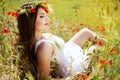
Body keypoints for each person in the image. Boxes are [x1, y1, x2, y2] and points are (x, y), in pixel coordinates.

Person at [17, 1, 104, 80]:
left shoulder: (39, 36)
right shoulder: (44, 47)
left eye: (45, 15)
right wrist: (71, 78)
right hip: (72, 66)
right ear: (30, 22)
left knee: (85, 32)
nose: (47, 18)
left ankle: (113, 44)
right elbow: (44, 79)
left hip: (68, 52)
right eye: (41, 16)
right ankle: (112, 50)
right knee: (96, 47)